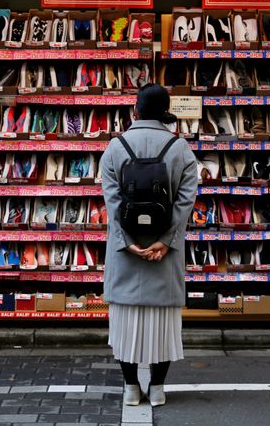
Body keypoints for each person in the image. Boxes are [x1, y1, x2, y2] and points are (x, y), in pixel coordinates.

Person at [100, 83, 197, 406]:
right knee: (163, 327)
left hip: (126, 253)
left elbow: (112, 204)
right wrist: (166, 242)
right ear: (166, 113)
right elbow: (185, 202)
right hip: (163, 254)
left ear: (135, 111)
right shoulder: (180, 148)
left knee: (126, 325)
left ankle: (130, 387)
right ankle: (156, 388)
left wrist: (126, 242)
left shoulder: (115, 147)